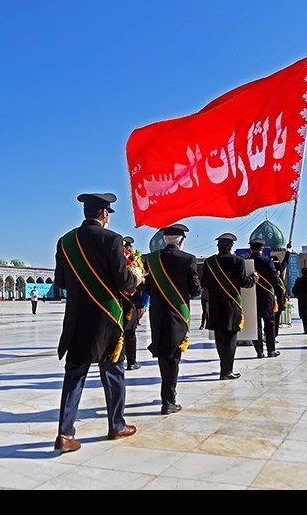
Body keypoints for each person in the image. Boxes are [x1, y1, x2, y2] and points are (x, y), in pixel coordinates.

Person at [53, 192, 143, 453]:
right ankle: (116, 425)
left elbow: (60, 282)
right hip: (107, 318)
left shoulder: (65, 241)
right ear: (104, 214)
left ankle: (64, 434)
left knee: (74, 376)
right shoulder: (112, 239)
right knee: (113, 373)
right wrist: (136, 278)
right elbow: (123, 281)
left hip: (77, 319)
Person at [144, 224, 201, 415]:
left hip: (157, 315)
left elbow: (146, 288)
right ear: (181, 240)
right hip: (177, 314)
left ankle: (167, 397)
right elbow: (195, 290)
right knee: (174, 357)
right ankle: (168, 401)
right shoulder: (188, 259)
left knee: (163, 356)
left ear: (164, 239)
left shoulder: (151, 259)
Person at [201, 233, 256, 380]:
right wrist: (253, 279)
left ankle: (223, 369)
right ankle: (227, 371)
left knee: (220, 340)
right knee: (231, 339)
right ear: (231, 247)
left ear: (218, 246)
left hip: (215, 306)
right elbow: (244, 283)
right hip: (231, 305)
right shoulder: (238, 261)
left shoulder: (209, 262)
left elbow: (204, 283)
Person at [248, 238, 281, 358]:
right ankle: (271, 351)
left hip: (251, 298)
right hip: (267, 298)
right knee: (269, 324)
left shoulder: (246, 262)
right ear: (261, 249)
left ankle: (259, 352)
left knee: (256, 325)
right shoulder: (267, 262)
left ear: (251, 249)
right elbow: (275, 281)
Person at [121, 236, 144, 370]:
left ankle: (119, 359)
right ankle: (131, 361)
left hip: (118, 302)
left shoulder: (115, 259)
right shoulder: (132, 262)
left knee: (119, 333)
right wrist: (140, 305)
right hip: (130, 303)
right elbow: (137, 288)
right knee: (130, 333)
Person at [271, 243, 292, 338]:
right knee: (276, 319)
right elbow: (286, 261)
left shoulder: (267, 272)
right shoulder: (281, 269)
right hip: (279, 300)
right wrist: (288, 250)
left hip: (269, 300)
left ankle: (269, 335)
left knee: (269, 319)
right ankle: (273, 336)